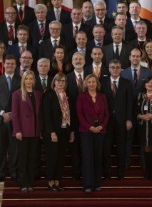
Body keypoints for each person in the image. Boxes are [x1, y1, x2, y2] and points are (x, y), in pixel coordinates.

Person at [0, 55, 21, 182]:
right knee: (1, 148)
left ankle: (14, 172)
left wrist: (13, 113)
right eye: (7, 63)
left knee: (14, 148)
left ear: (15, 65)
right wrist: (3, 113)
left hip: (15, 120)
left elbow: (22, 99)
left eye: (12, 64)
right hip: (0, 120)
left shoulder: (20, 80)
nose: (9, 66)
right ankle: (0, 173)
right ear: (4, 65)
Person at [100, 60, 133, 180]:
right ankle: (107, 173)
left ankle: (120, 173)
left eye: (117, 67)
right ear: (108, 68)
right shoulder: (102, 82)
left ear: (121, 69)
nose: (115, 70)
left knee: (121, 148)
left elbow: (130, 103)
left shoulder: (127, 83)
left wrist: (129, 119)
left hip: (122, 120)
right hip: (106, 121)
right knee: (106, 148)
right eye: (112, 67)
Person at [76, 74, 109, 193]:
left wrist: (101, 126)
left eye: (93, 82)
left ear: (97, 84)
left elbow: (106, 114)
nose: (91, 84)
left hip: (100, 131)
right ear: (86, 84)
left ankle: (97, 183)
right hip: (86, 131)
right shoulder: (81, 96)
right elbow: (79, 115)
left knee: (97, 157)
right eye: (89, 82)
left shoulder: (102, 96)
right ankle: (88, 184)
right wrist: (89, 127)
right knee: (87, 157)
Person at [121, 48, 152, 168]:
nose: (135, 58)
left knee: (143, 137)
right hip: (128, 110)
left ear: (141, 58)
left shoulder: (147, 72)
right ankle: (126, 160)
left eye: (138, 56)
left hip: (143, 110)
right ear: (129, 57)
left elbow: (150, 90)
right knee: (128, 137)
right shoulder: (123, 72)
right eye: (133, 56)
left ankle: (144, 161)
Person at [12, 70, 42, 192]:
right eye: (26, 79)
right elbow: (15, 114)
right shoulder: (17, 94)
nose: (29, 81)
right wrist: (17, 130)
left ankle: (30, 182)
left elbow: (40, 115)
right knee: (23, 158)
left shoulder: (38, 94)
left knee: (32, 158)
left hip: (35, 131)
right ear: (23, 80)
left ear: (34, 80)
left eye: (31, 79)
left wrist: (40, 130)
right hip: (23, 132)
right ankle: (23, 183)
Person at [44, 73, 75, 191]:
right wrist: (51, 132)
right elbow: (46, 115)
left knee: (60, 157)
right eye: (58, 81)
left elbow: (73, 115)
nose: (61, 83)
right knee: (52, 156)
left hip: (64, 131)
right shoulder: (49, 95)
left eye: (63, 81)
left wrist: (72, 132)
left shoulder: (68, 95)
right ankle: (50, 182)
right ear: (54, 82)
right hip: (53, 132)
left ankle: (57, 181)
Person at [66, 52, 86, 180]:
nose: (78, 61)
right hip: (72, 119)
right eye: (75, 59)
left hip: (88, 119)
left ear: (84, 61)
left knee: (86, 148)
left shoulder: (90, 77)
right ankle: (76, 173)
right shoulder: (66, 78)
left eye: (80, 59)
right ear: (72, 62)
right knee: (74, 149)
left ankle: (86, 172)